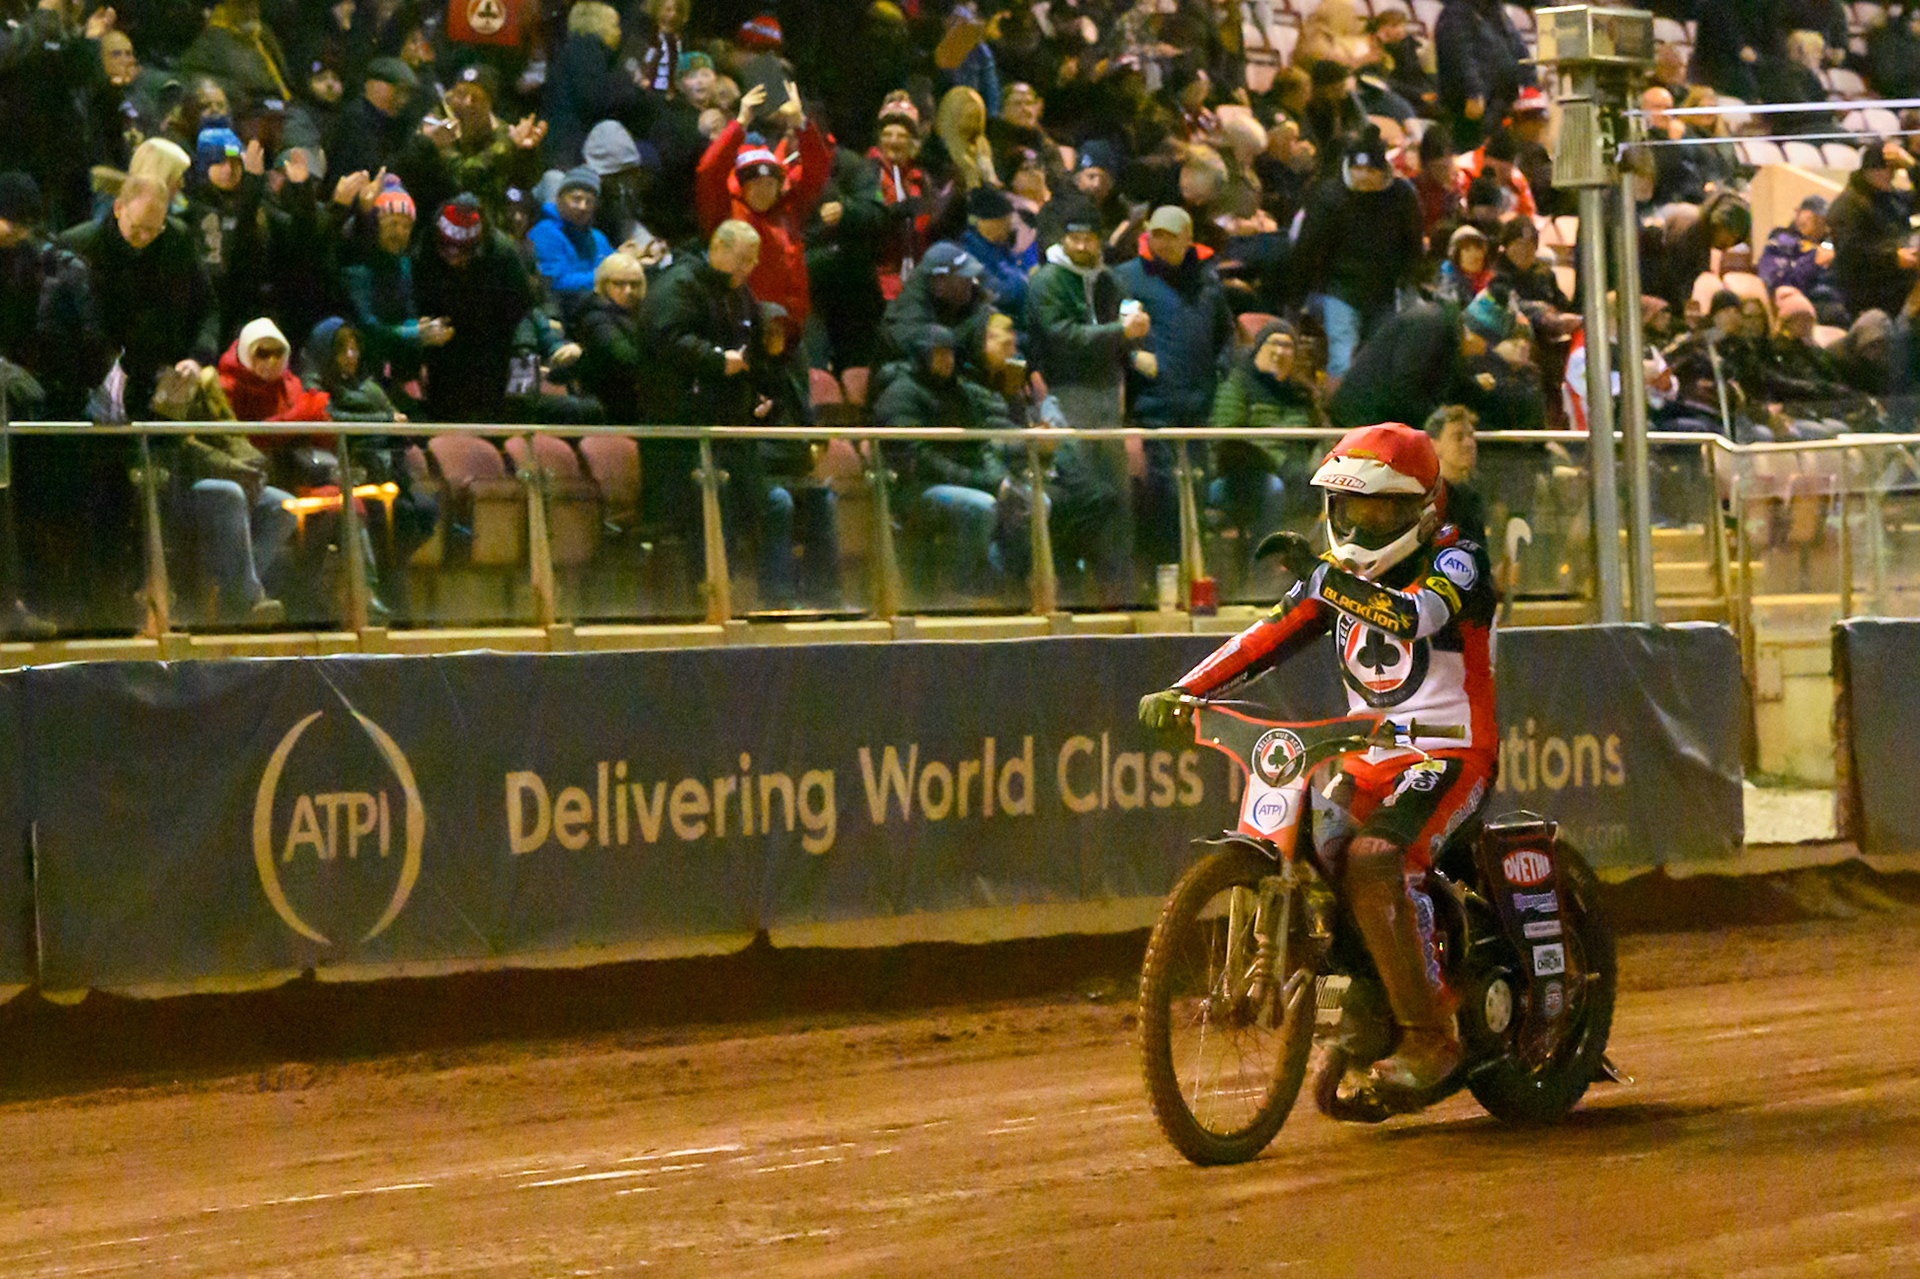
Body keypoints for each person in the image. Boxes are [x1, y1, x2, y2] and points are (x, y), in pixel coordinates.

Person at [1139, 421, 1497, 1101]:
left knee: (1371, 860)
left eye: (1377, 510)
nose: (1359, 526)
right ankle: (1347, 1017)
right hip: (1371, 755)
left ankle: (1433, 1036)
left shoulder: (1458, 557)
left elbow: (1415, 617)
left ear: (1420, 507)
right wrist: (1186, 688)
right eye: (1347, 509)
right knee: (1318, 862)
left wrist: (1330, 584)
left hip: (1453, 752)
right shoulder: (1335, 581)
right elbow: (1264, 635)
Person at [1116, 205, 1235, 567]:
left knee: (1195, 492)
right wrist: (1134, 359)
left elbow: (1225, 333)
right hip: (1153, 407)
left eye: (1170, 236)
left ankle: (1191, 576)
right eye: (1156, 234)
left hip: (1198, 407)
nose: (1161, 242)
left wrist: (1221, 370)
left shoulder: (1206, 282)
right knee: (1162, 495)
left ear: (1188, 240)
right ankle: (1162, 576)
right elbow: (1109, 333)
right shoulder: (1126, 278)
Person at [871, 323, 1017, 597]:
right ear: (923, 355)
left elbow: (986, 441)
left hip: (966, 480)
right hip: (914, 490)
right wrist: (984, 482)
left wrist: (1000, 479)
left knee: (1030, 501)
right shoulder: (900, 394)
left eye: (950, 354)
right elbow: (921, 460)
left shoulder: (963, 393)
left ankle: (1009, 588)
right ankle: (958, 590)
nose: (947, 361)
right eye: (939, 354)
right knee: (982, 506)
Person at [1290, 126, 1422, 380]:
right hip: (1340, 288)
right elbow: (1306, 249)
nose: (1362, 176)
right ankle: (1340, 413)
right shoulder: (1330, 197)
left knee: (1381, 358)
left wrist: (1408, 280)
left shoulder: (1401, 196)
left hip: (1384, 290)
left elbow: (1412, 244)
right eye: (1357, 168)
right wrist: (1295, 298)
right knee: (1344, 357)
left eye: (1370, 170)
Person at [1828, 140, 1919, 323]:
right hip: (1866, 300)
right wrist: (1893, 257)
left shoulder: (1891, 199)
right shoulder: (1848, 204)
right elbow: (1850, 251)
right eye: (1887, 169)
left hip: (1899, 293)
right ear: (1870, 170)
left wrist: (1912, 165)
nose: (1892, 175)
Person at [528, 167, 614, 310]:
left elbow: (610, 262)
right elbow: (555, 283)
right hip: (560, 313)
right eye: (576, 199)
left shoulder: (597, 237)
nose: (582, 207)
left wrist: (631, 258)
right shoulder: (545, 233)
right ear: (559, 200)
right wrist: (606, 275)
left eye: (589, 202)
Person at [1758, 195, 1839, 311]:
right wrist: (1812, 260)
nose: (1819, 225)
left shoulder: (1827, 244)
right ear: (1798, 214)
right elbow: (1775, 279)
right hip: (1801, 303)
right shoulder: (1782, 239)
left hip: (1832, 300)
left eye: (1823, 221)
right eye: (1814, 218)